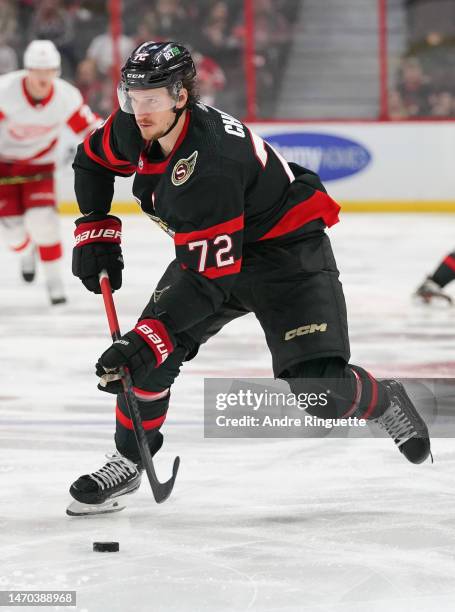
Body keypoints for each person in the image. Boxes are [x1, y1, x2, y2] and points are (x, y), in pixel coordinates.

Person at [68, 41, 432, 516]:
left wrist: (147, 339)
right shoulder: (137, 124)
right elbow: (91, 160)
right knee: (150, 360)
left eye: (152, 98)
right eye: (132, 97)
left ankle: (384, 399)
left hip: (287, 258)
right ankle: (129, 459)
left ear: (181, 96)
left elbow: (209, 283)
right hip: (215, 253)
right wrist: (95, 227)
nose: (140, 110)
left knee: (320, 393)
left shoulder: (212, 164)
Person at [0, 39, 100, 304]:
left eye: (49, 71)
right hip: (4, 166)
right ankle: (25, 252)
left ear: (56, 72)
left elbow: (89, 130)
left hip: (40, 166)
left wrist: (115, 145)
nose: (43, 78)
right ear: (27, 70)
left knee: (43, 223)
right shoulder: (5, 91)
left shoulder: (66, 97)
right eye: (38, 71)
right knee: (13, 233)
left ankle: (55, 285)